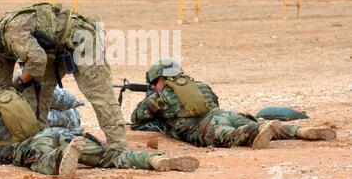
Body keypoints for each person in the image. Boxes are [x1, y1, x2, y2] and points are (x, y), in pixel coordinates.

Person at [0, 71, 200, 176]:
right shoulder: (11, 96)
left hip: (28, 148)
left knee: (43, 162)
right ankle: (152, 160)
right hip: (51, 133)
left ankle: (63, 156)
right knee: (107, 156)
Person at [0, 3, 127, 150]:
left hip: (79, 39)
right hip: (53, 52)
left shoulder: (13, 34)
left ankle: (117, 145)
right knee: (33, 98)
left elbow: (38, 61)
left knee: (98, 93)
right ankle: (39, 141)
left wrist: (18, 83)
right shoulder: (1, 50)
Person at [131, 59, 336, 149]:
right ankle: (300, 131)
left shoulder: (161, 97)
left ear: (160, 79)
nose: (153, 86)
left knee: (228, 137)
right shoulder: (199, 85)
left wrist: (150, 97)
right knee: (239, 123)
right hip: (222, 113)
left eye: (153, 83)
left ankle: (258, 130)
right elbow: (214, 101)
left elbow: (137, 118)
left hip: (201, 127)